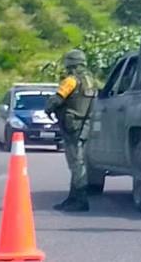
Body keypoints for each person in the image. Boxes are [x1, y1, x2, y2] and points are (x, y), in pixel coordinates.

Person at [45, 49, 97, 212]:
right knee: (79, 162)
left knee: (76, 163)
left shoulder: (71, 80)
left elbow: (57, 99)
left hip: (72, 126)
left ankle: (79, 199)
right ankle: (73, 197)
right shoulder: (91, 80)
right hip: (84, 125)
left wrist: (48, 108)